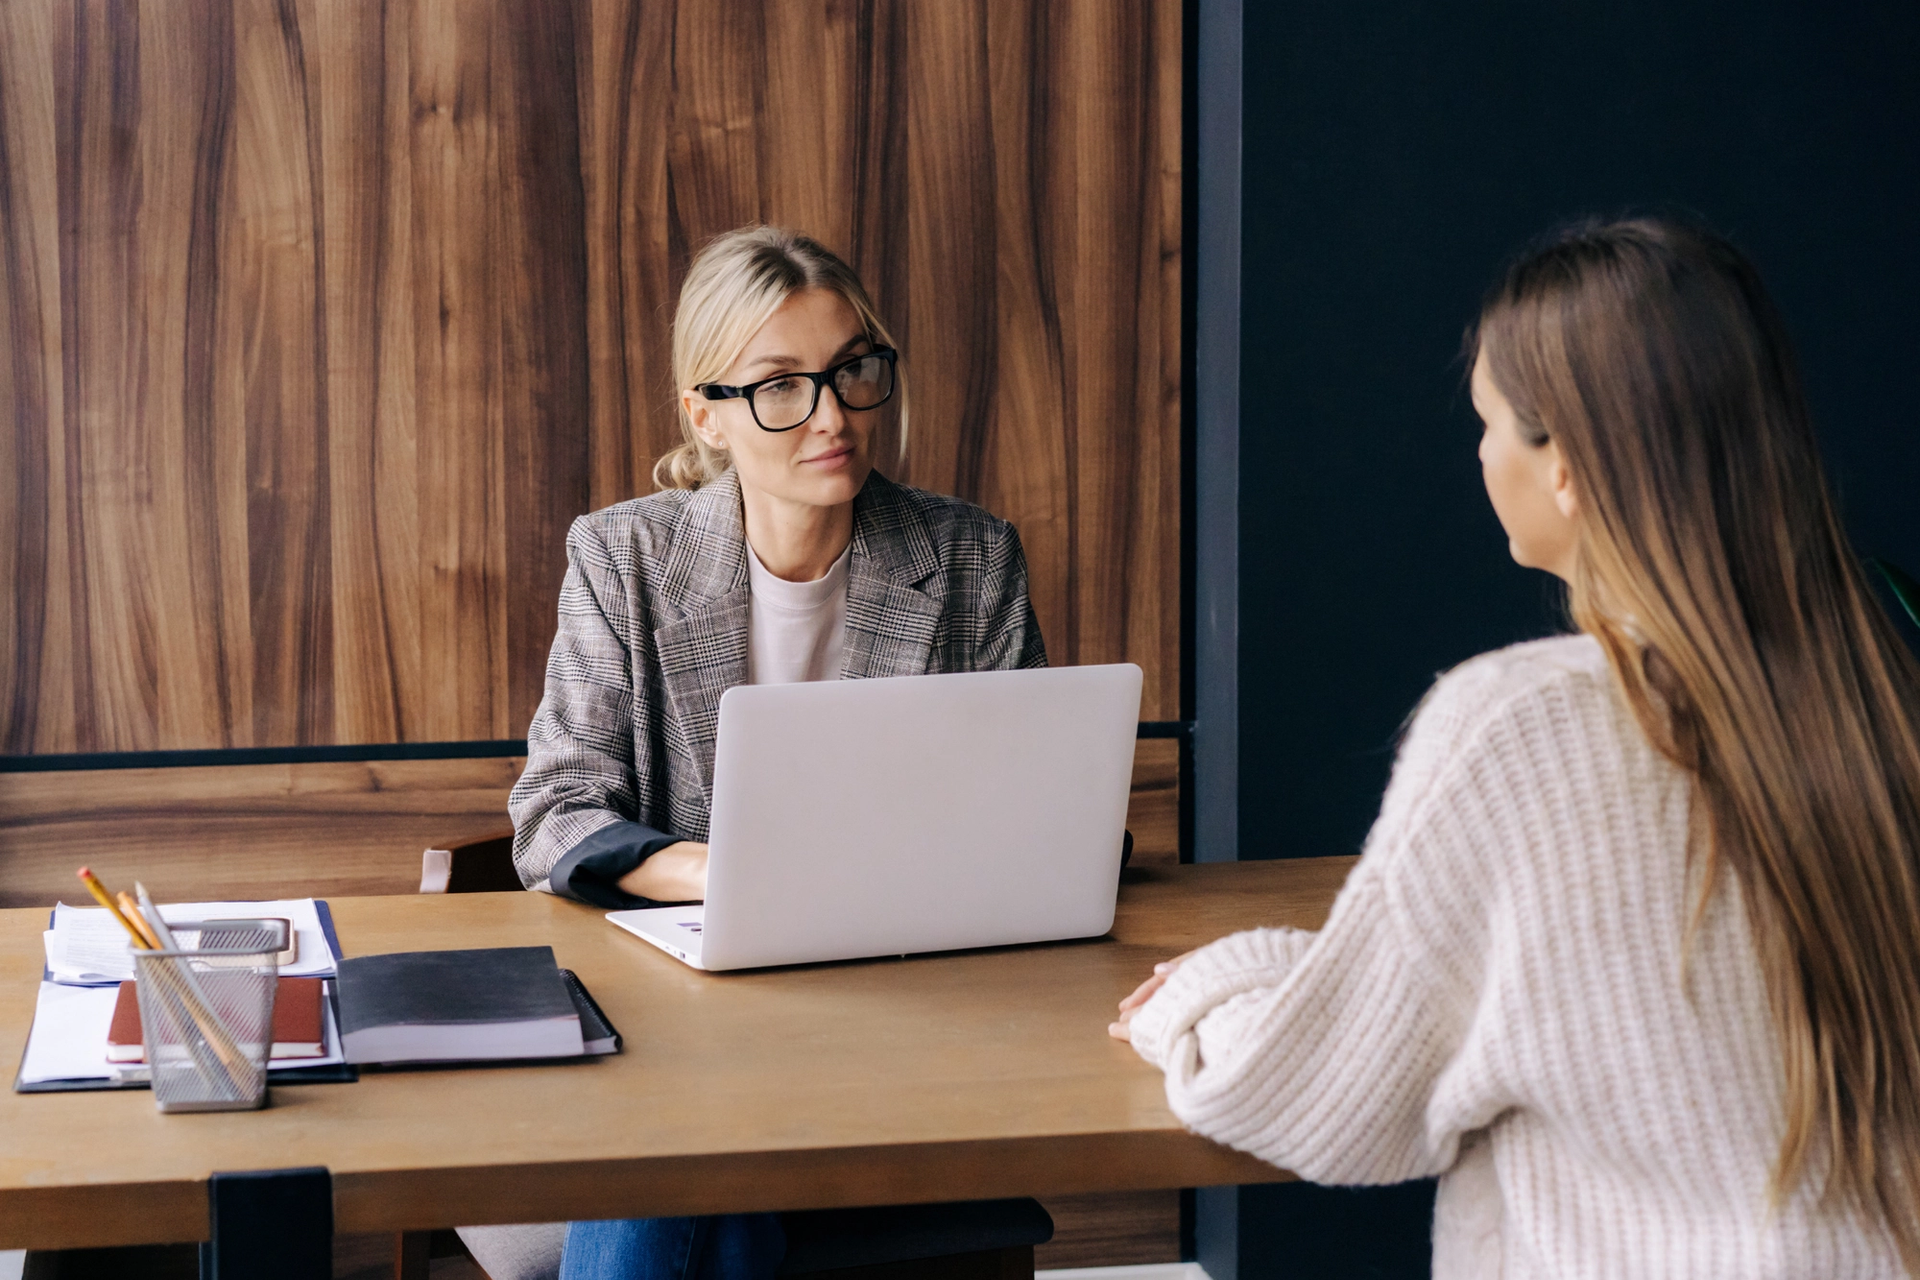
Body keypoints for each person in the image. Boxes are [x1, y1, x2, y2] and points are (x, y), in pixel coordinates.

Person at [1111, 218, 1920, 1277]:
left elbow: (1326, 1089)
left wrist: (1196, 993)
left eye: (1491, 420)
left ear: (1568, 468)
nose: (1481, 451)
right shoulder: (1882, 689)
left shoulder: (1520, 727)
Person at [503, 226, 1046, 1280]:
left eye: (852, 370)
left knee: (688, 1176)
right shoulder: (626, 558)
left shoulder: (971, 556)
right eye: (781, 385)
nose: (833, 415)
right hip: (681, 1020)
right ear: (704, 411)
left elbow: (1032, 813)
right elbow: (556, 810)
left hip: (906, 1017)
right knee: (701, 1161)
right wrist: (715, 873)